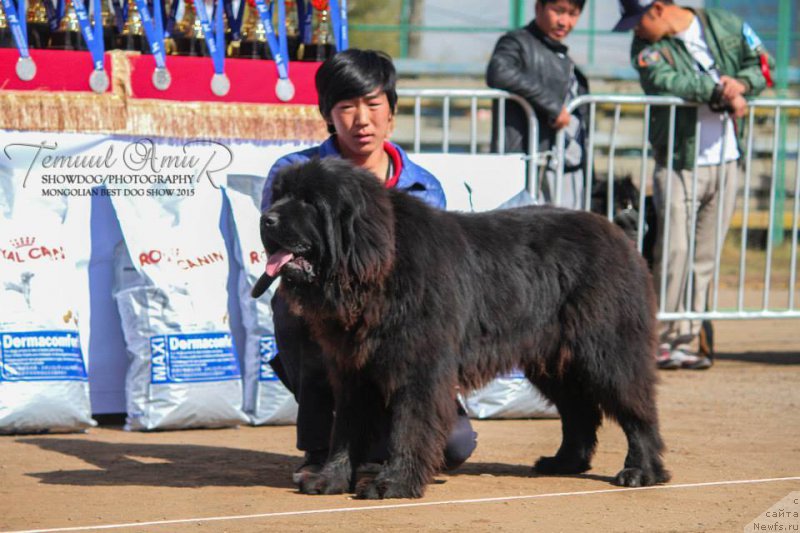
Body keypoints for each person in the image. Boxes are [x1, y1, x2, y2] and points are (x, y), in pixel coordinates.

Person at [260, 48, 478, 484]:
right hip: (329, 323)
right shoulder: (295, 172)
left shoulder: (421, 186)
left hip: (405, 330)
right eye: (346, 107)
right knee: (300, 305)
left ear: (392, 112)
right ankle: (323, 447)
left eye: (374, 104)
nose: (362, 119)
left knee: (454, 445)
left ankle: (381, 443)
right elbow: (284, 248)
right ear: (327, 115)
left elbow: (433, 288)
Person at [613, 0, 774, 369]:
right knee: (674, 251)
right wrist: (722, 91)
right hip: (679, 161)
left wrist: (743, 83)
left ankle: (688, 337)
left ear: (657, 9)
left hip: (727, 160)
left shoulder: (724, 25)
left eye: (638, 21)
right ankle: (661, 338)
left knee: (704, 256)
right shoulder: (646, 47)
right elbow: (666, 81)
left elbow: (763, 66)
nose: (635, 30)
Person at [486, 0, 589, 209]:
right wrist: (552, 105)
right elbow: (499, 71)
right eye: (558, 11)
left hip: (567, 166)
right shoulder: (516, 42)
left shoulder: (564, 58)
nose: (564, 21)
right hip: (533, 161)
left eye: (573, 14)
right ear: (538, 8)